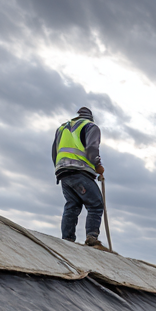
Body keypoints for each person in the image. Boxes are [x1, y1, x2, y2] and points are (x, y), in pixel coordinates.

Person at [52, 106, 106, 247]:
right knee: (96, 204)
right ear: (90, 118)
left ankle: (67, 239)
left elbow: (55, 152)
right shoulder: (90, 126)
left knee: (72, 205)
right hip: (80, 171)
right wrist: (97, 165)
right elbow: (92, 149)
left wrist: (59, 170)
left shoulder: (62, 129)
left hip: (63, 172)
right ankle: (91, 238)